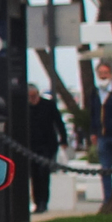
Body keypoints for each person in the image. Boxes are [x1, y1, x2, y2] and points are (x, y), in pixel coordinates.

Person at [25, 83, 63, 212]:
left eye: (34, 96)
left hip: (47, 145)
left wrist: (63, 139)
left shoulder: (48, 105)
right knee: (34, 175)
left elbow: (58, 122)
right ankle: (37, 201)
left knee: (43, 174)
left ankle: (43, 202)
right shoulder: (25, 108)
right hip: (30, 146)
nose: (32, 99)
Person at [93, 59, 112, 203]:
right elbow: (92, 112)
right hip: (102, 135)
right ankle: (108, 198)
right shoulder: (95, 92)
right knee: (105, 169)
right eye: (100, 73)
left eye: (105, 73)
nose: (103, 76)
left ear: (111, 74)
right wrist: (93, 131)